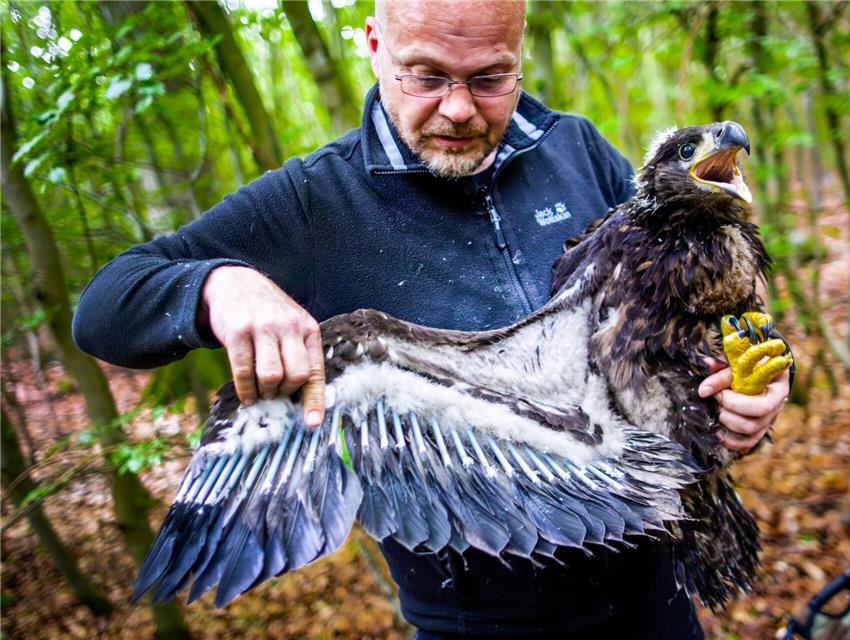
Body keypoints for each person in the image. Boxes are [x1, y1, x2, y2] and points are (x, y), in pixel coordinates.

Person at [74, 1, 789, 637]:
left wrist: (751, 392)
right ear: (374, 45)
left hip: (658, 598)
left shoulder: (575, 149)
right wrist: (218, 287)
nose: (457, 109)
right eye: (425, 75)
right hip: (484, 623)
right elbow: (106, 307)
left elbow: (706, 319)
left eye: (488, 78)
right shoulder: (313, 205)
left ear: (519, 57)